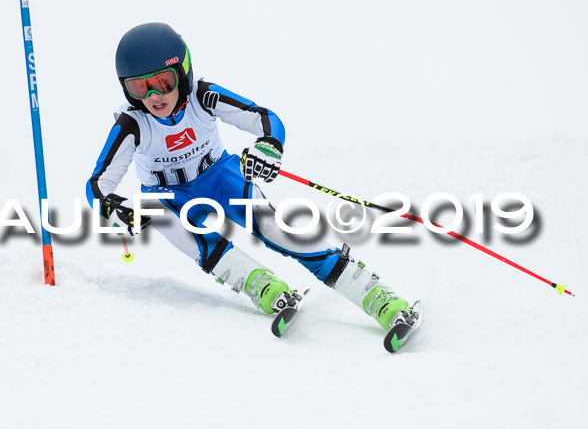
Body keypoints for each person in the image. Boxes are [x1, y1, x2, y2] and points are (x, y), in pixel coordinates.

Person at [86, 22, 415, 331]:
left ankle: (378, 297)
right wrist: (113, 207)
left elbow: (263, 118)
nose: (154, 96)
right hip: (168, 194)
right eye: (139, 87)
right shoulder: (131, 124)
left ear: (182, 72)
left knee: (275, 230)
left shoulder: (202, 95)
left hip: (218, 175)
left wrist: (268, 146)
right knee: (173, 223)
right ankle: (263, 287)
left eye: (163, 82)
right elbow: (99, 184)